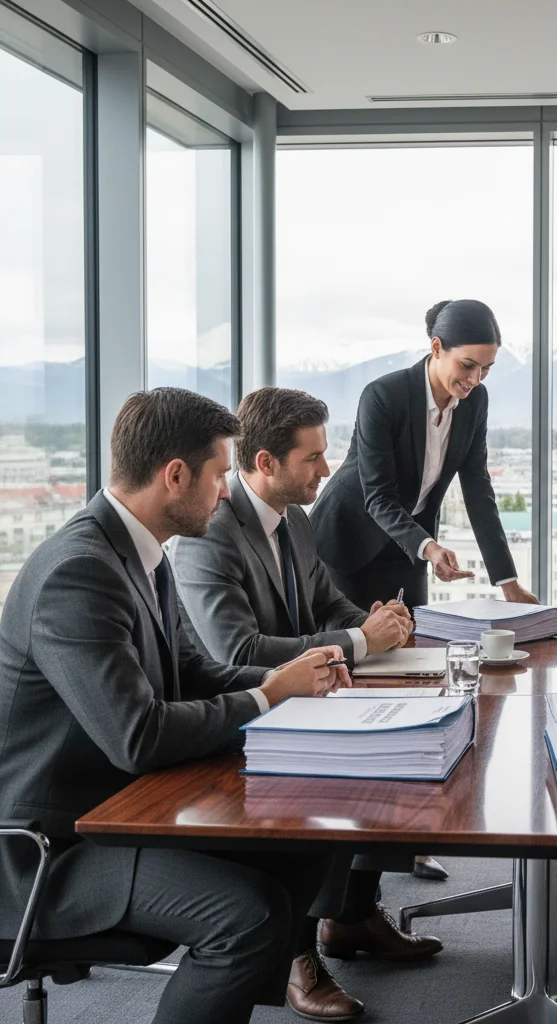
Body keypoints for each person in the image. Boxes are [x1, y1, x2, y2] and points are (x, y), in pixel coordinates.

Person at [0, 388, 362, 1024]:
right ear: (175, 477)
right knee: (246, 916)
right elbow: (137, 735)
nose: (227, 492)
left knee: (308, 834)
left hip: (120, 808)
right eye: (221, 474)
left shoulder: (139, 555)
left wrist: (296, 682)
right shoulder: (78, 572)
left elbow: (192, 671)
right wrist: (268, 694)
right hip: (51, 850)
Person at [169, 386, 444, 972]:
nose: (328, 469)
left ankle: (350, 917)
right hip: (242, 712)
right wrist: (360, 642)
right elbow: (236, 650)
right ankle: (295, 954)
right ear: (265, 463)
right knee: (357, 761)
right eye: (313, 458)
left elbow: (328, 602)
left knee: (396, 745)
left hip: (306, 697)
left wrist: (375, 624)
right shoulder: (212, 530)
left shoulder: (294, 519)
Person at [311, 299, 538, 610]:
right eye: (467, 365)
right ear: (436, 347)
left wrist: (508, 583)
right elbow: (378, 497)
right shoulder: (383, 396)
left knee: (417, 642)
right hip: (349, 541)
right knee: (361, 649)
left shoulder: (474, 402)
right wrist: (429, 548)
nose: (475, 379)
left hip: (410, 545)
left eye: (486, 369)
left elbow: (479, 491)